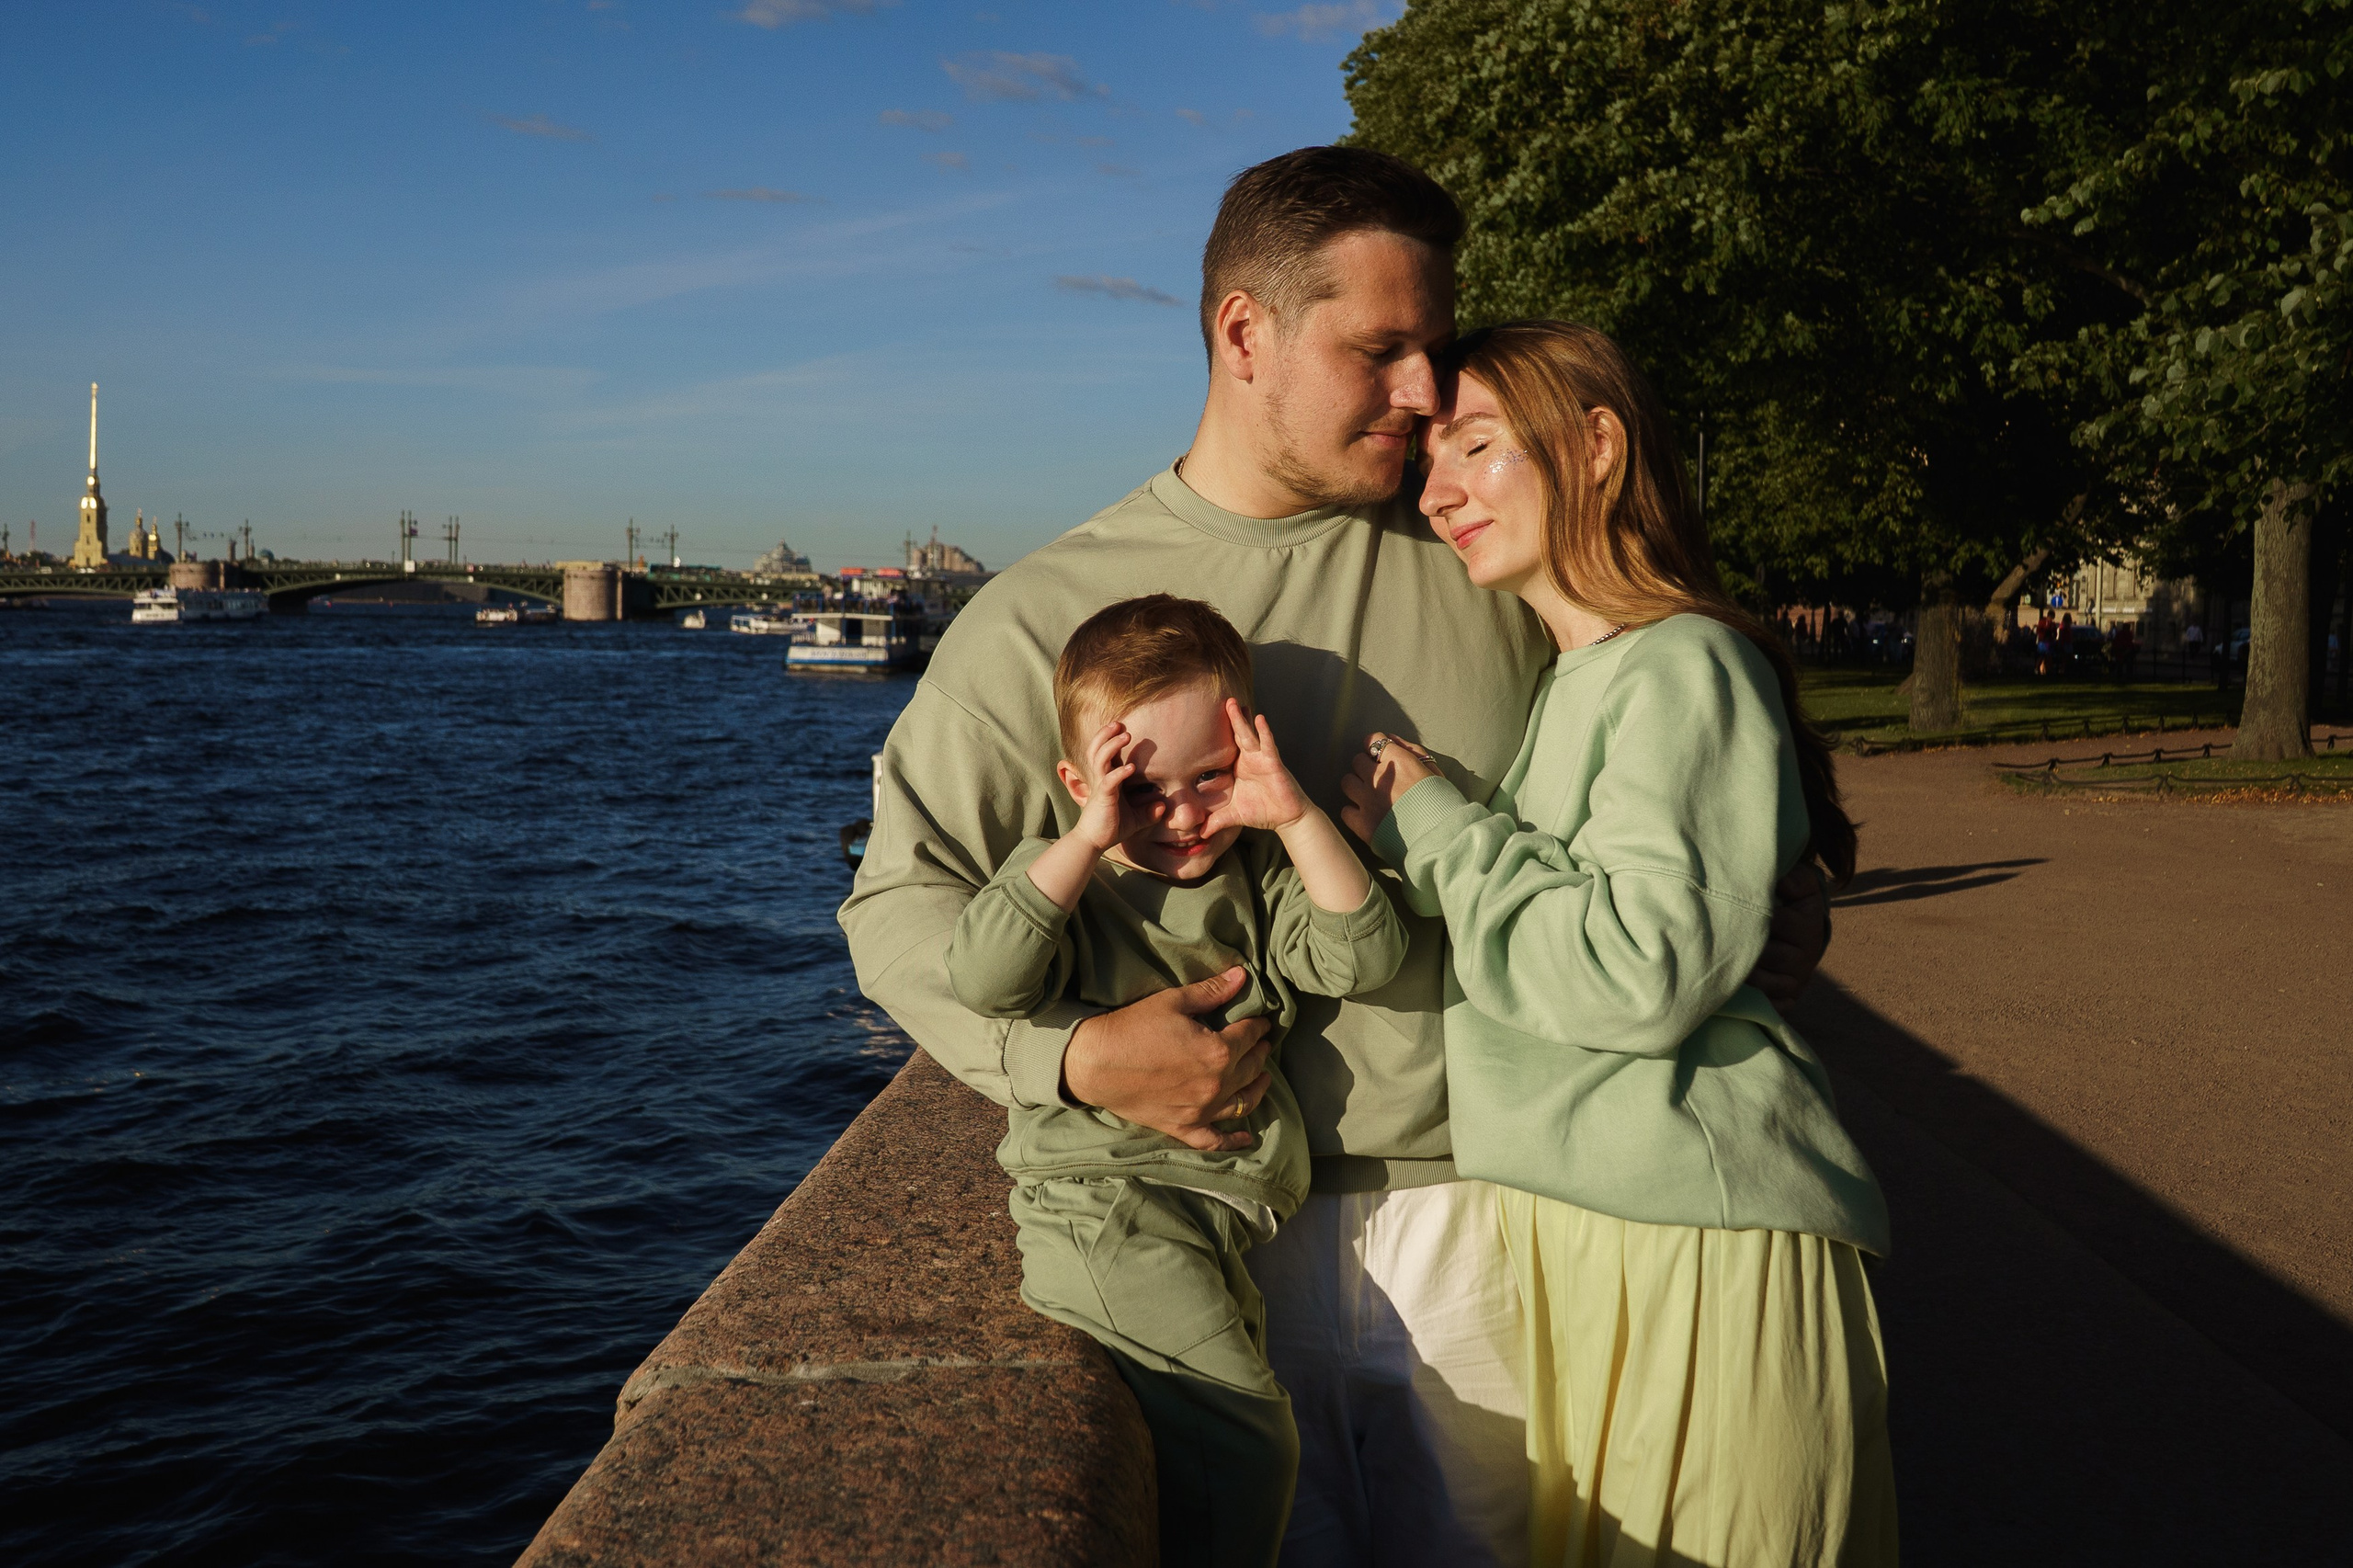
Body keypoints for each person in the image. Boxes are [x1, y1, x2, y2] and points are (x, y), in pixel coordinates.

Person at [839, 146, 1831, 1566]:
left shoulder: (1486, 547)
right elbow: (896, 905)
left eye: (1434, 349)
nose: (1427, 395)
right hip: (1210, 1229)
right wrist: (1066, 1061)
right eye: (1382, 350)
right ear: (1245, 332)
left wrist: (1767, 900)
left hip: (1513, 1208)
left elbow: (1663, 764)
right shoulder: (1040, 616)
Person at [1339, 321, 1894, 1567]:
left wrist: (1439, 822)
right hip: (1603, 1226)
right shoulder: (1582, 681)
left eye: (1477, 445)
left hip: (1695, 1239)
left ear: (1595, 446)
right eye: (1432, 458)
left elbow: (1633, 972)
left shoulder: (1682, 665)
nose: (1436, 492)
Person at [942, 595, 1407, 1566]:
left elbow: (1363, 952)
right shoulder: (1070, 881)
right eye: (1142, 791)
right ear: (1083, 782)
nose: (1186, 815)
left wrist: (1296, 816)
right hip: (1112, 1208)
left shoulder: (1258, 877)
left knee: (1220, 1424)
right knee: (1244, 1429)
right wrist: (1080, 841)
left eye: (1212, 778)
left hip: (1217, 1215)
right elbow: (983, 976)